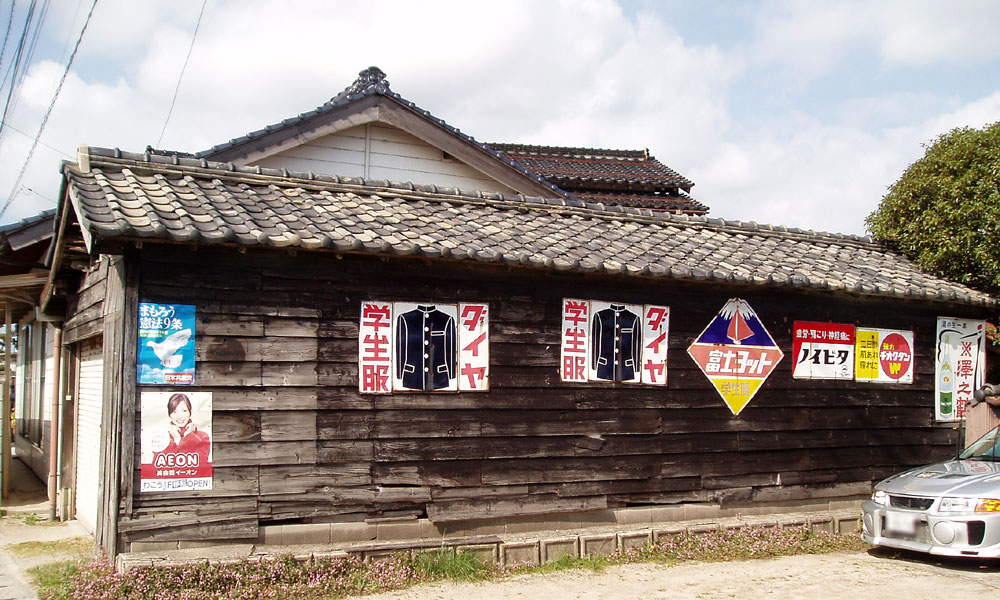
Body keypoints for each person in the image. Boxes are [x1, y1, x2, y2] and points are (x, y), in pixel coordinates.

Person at [159, 393, 210, 465]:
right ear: (169, 414)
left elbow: (201, 464)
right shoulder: (162, 438)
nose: (180, 416)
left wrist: (188, 437)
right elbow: (157, 465)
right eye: (174, 411)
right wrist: (176, 440)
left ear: (190, 411)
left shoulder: (202, 436)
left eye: (184, 411)